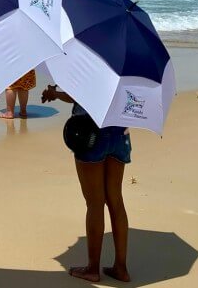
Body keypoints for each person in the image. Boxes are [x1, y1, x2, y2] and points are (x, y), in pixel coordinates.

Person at [42, 84, 132, 283]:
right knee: (116, 200)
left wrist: (54, 94)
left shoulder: (90, 58)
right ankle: (121, 267)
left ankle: (93, 268)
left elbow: (78, 94)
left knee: (95, 203)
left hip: (90, 131)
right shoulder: (124, 66)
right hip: (120, 131)